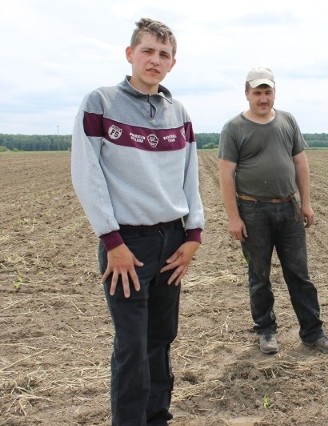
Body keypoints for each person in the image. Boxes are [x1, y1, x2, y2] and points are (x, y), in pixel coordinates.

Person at [71, 18, 204, 424]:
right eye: (147, 51)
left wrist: (193, 235)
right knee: (132, 344)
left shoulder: (178, 112)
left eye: (163, 54)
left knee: (161, 339)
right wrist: (113, 243)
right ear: (130, 54)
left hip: (172, 241)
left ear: (172, 64)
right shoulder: (101, 103)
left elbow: (190, 175)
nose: (154, 60)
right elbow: (87, 174)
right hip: (128, 245)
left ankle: (158, 417)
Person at [218, 66, 328, 355]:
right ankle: (266, 331)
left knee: (299, 274)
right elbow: (226, 175)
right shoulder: (234, 128)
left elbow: (300, 163)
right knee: (259, 274)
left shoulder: (288, 121)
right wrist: (234, 217)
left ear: (274, 92)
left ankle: (313, 332)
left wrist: (306, 203)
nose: (263, 98)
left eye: (267, 92)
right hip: (252, 210)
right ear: (247, 94)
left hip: (289, 208)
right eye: (257, 92)